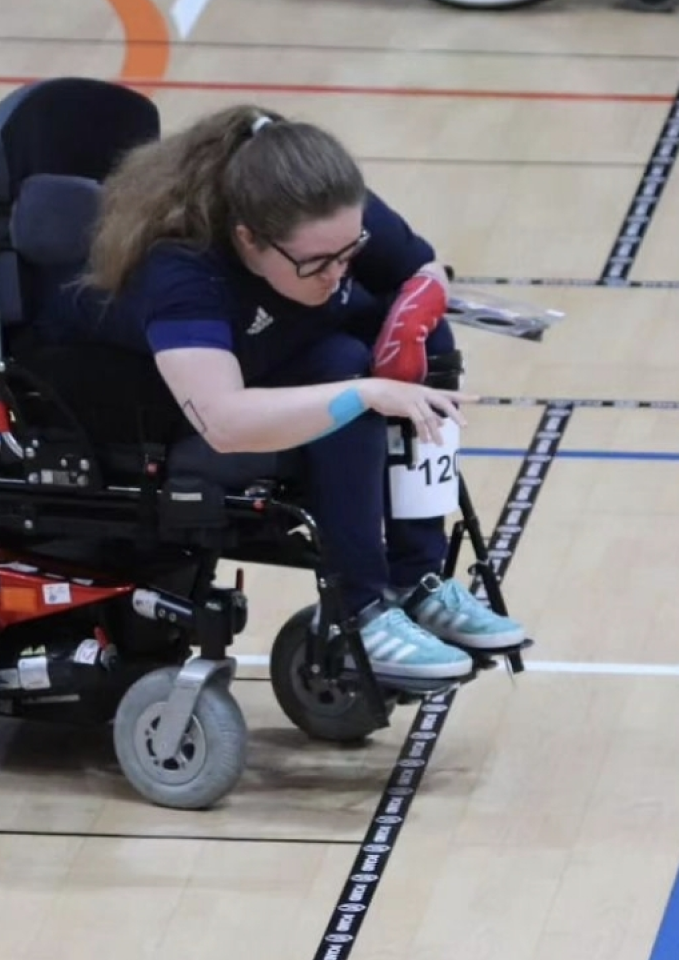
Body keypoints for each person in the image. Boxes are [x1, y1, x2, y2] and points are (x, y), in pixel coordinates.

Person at [76, 104, 527, 685]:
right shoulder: (182, 269)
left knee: (421, 333)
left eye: (349, 253)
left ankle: (418, 579)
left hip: (283, 346)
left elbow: (424, 271)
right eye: (316, 263)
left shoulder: (333, 212)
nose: (339, 273)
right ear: (249, 240)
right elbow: (225, 421)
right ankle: (362, 612)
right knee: (346, 379)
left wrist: (415, 314)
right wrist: (367, 392)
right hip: (167, 404)